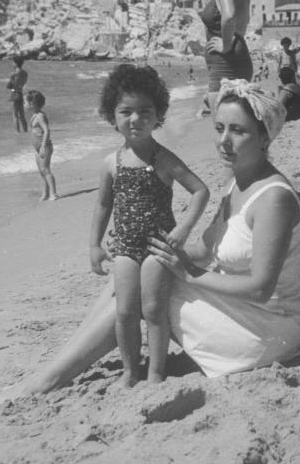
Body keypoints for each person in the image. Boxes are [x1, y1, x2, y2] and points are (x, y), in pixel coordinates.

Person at [0, 79, 300, 405]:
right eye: (219, 129)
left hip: (271, 331)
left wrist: (188, 275)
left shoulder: (272, 198)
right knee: (128, 273)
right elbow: (204, 250)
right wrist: (150, 247)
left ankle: (47, 380)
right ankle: (56, 366)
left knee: (149, 286)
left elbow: (260, 287)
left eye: (238, 131)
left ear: (264, 136)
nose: (224, 142)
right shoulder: (239, 182)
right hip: (247, 311)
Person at [91, 64, 210, 386]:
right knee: (126, 312)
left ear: (158, 114)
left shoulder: (164, 159)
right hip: (126, 247)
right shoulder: (111, 163)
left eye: (145, 111)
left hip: (159, 246)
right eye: (126, 111)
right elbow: (103, 205)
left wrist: (182, 231)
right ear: (111, 116)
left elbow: (200, 191)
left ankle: (157, 372)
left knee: (155, 310)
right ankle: (131, 370)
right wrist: (93, 246)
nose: (135, 119)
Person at [197, 0, 252, 117]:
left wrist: (226, 45)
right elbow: (244, 20)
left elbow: (229, 16)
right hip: (231, 60)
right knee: (234, 125)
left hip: (225, 63)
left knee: (221, 126)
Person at [25, 90, 59, 201]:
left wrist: (43, 146)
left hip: (44, 146)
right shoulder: (35, 115)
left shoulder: (40, 116)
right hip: (37, 147)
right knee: (41, 171)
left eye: (25, 102)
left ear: (32, 103)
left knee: (45, 169)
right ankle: (46, 193)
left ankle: (54, 193)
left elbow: (46, 130)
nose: (24, 105)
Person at [7, 56, 28, 133]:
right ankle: (25, 131)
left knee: (15, 115)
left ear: (15, 63)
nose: (12, 64)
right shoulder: (25, 73)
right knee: (22, 115)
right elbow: (23, 83)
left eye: (13, 62)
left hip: (15, 93)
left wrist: (12, 90)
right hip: (20, 92)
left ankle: (17, 133)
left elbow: (10, 86)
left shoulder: (13, 74)